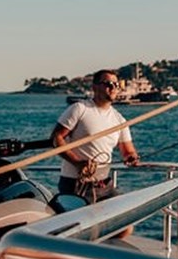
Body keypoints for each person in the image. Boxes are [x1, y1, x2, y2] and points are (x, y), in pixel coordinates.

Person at [52, 69, 141, 203]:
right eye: (108, 83)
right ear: (95, 87)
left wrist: (131, 158)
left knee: (126, 213)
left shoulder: (119, 120)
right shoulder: (79, 109)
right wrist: (78, 163)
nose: (113, 87)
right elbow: (56, 138)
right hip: (76, 184)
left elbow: (128, 152)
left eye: (116, 84)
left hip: (104, 185)